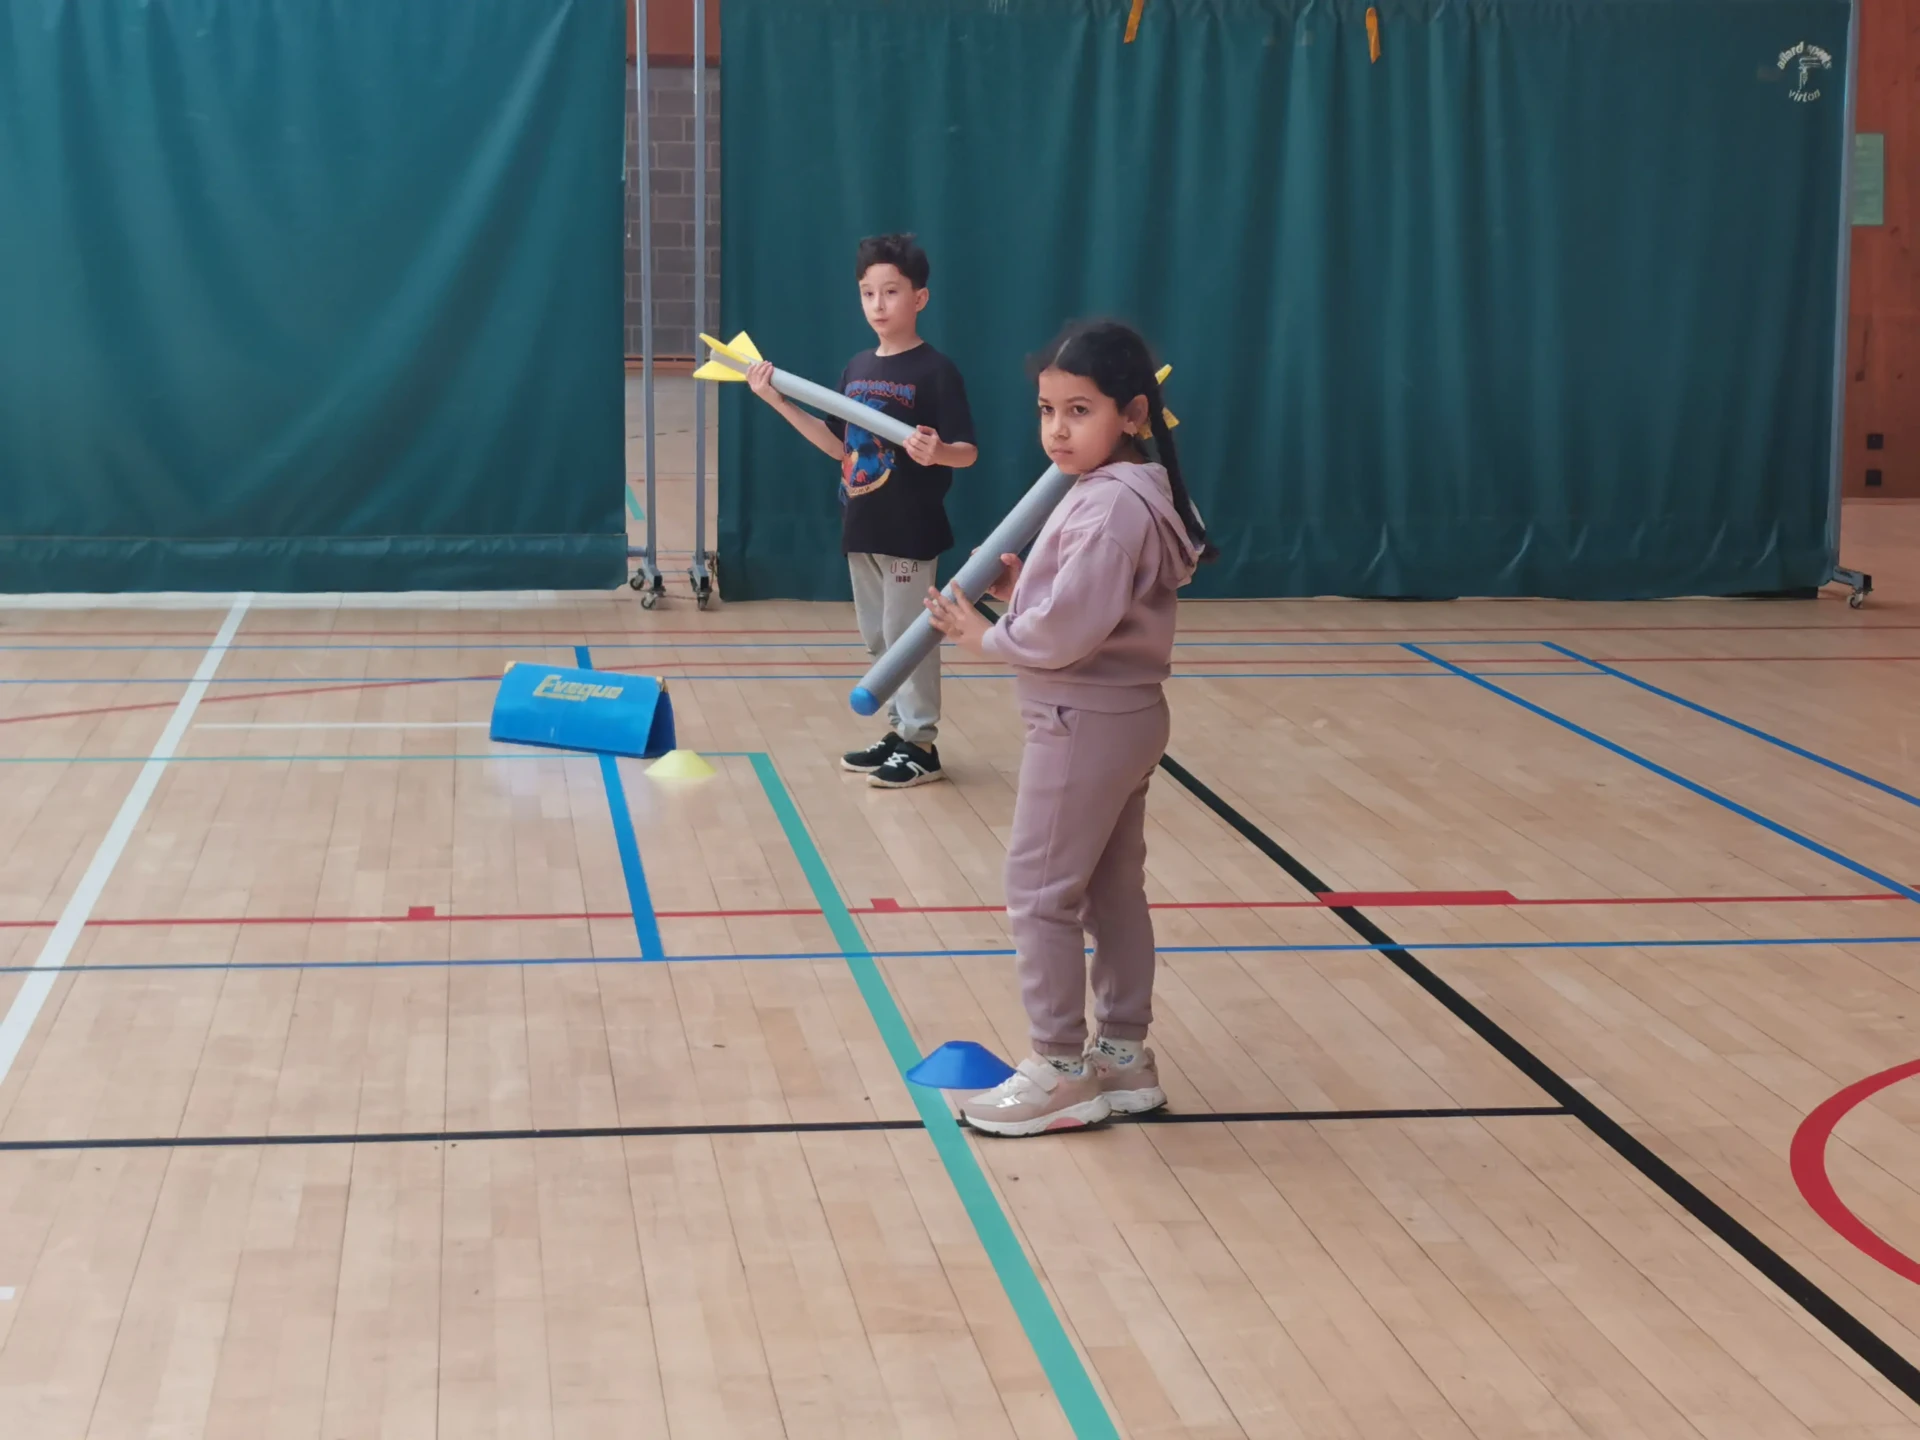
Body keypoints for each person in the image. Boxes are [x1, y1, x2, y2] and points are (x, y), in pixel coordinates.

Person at [923, 319, 1216, 1136]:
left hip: (1082, 718)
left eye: (1079, 411)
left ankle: (1058, 1068)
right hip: (1125, 715)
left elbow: (1069, 631)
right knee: (1110, 890)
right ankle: (1122, 1057)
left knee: (1040, 892)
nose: (1057, 430)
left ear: (1131, 414)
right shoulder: (1135, 489)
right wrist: (1025, 590)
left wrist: (987, 636)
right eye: (1047, 410)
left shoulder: (1111, 504)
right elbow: (1093, 601)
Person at [747, 233, 976, 788]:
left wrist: (938, 451)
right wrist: (777, 400)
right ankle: (900, 732)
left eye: (891, 292)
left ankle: (922, 744)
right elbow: (837, 446)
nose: (878, 304)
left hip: (911, 532)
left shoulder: (936, 370)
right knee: (878, 637)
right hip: (862, 525)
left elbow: (967, 452)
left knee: (908, 635)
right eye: (868, 293)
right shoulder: (855, 367)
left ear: (919, 298)